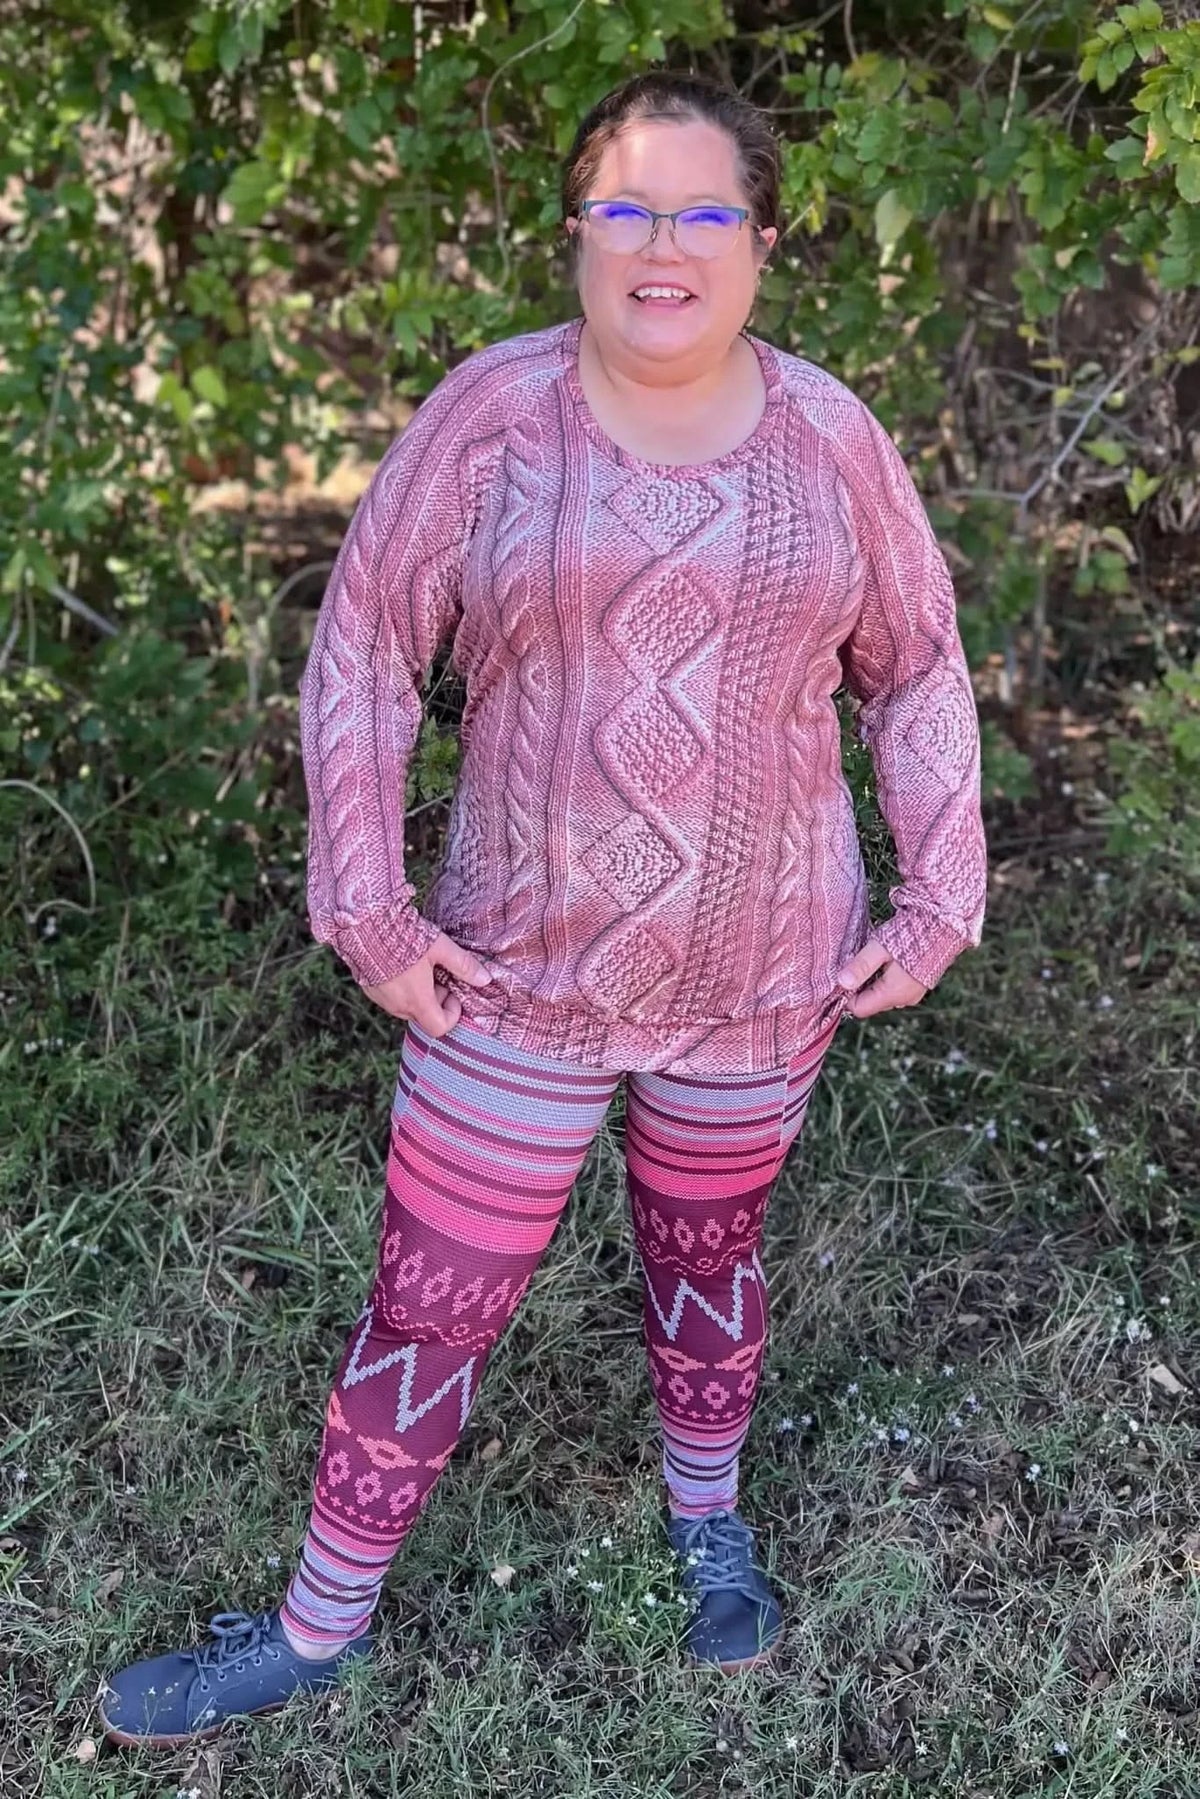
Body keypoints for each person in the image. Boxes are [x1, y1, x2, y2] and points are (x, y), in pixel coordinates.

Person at [97, 68, 987, 1747]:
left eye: (703, 210)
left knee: (708, 1251)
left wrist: (940, 893)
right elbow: (365, 645)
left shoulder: (834, 437)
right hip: (511, 974)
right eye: (627, 209)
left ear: (764, 241)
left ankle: (706, 1525)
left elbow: (918, 669)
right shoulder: (492, 413)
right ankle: (314, 1624)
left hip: (762, 975)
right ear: (576, 233)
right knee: (432, 1291)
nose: (665, 244)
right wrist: (362, 900)